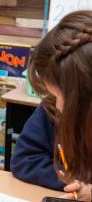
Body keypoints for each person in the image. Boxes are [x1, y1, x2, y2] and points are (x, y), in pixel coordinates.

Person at [13, 10, 92, 201]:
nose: (58, 105)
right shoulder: (52, 108)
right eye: (53, 94)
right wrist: (74, 181)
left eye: (60, 95)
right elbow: (25, 159)